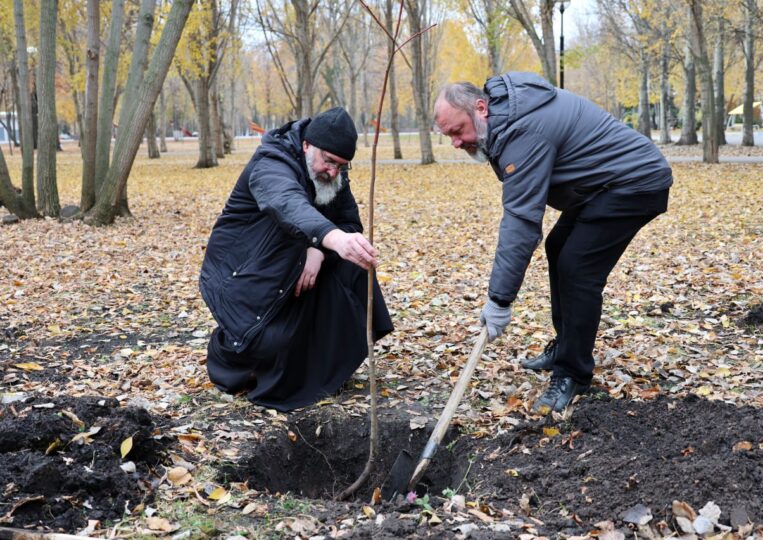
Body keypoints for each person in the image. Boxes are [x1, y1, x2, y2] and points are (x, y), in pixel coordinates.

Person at [434, 72, 672, 414]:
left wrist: (499, 299)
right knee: (559, 247)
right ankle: (565, 347)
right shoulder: (505, 121)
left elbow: (521, 220)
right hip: (599, 186)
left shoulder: (522, 129)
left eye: (457, 131)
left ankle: (573, 373)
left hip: (634, 183)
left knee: (577, 268)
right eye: (449, 136)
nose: (456, 143)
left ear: (481, 108)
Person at [199, 107, 393, 412]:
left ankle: (321, 370)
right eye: (329, 161)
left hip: (294, 267)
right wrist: (331, 238)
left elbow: (349, 221)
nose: (333, 172)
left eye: (342, 166)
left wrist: (318, 251)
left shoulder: (332, 173)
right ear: (306, 146)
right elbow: (287, 203)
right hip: (244, 276)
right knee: (271, 347)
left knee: (355, 267)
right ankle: (230, 352)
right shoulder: (271, 163)